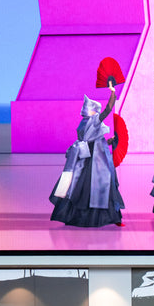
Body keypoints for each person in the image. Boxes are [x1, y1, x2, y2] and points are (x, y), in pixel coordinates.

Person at [49, 83, 124, 228]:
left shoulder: (83, 122)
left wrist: (108, 141)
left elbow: (94, 139)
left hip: (88, 156)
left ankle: (76, 215)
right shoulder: (93, 120)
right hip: (94, 159)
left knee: (80, 184)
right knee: (96, 184)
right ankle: (98, 217)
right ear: (93, 111)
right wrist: (112, 93)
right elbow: (108, 109)